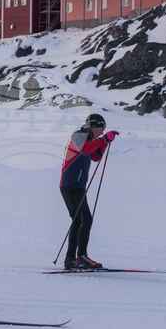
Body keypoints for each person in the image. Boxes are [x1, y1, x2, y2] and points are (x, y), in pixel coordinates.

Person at [60, 113, 118, 270]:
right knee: (85, 219)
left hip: (76, 186)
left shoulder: (91, 139)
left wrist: (105, 143)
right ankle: (80, 257)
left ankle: (72, 259)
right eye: (101, 128)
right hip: (71, 185)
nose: (102, 132)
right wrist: (104, 140)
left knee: (79, 221)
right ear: (94, 125)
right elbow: (85, 150)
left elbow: (96, 156)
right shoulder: (78, 135)